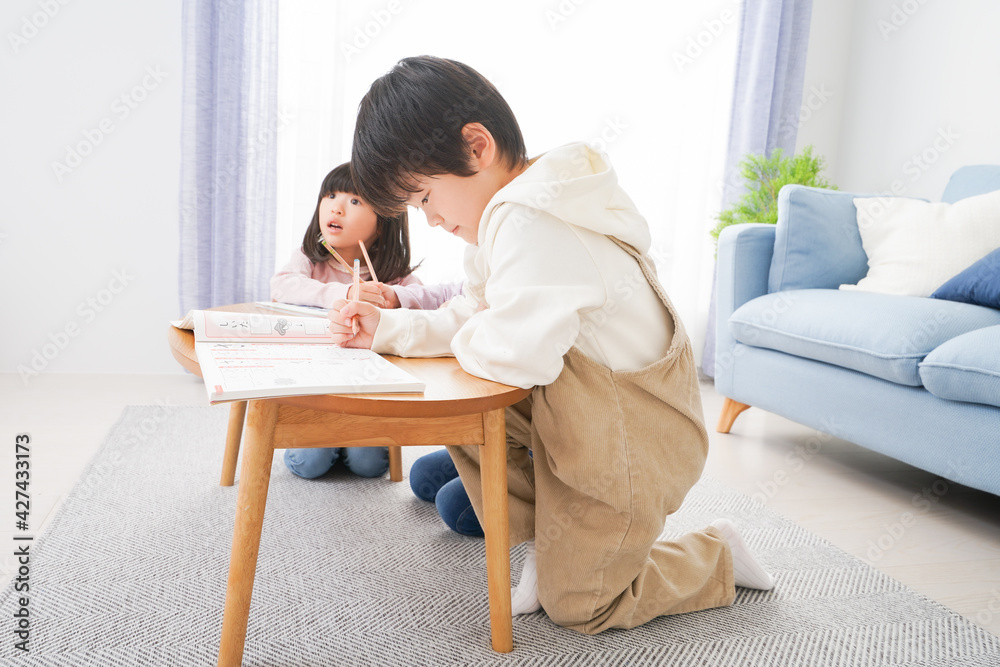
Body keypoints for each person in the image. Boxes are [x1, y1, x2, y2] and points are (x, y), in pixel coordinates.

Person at [329, 56, 774, 633]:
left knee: (583, 603)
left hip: (632, 448)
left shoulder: (534, 220)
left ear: (476, 147)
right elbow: (478, 315)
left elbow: (513, 353)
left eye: (424, 198)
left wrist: (437, 335)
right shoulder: (509, 216)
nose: (431, 219)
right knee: (459, 400)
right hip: (584, 420)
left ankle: (715, 555)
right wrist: (388, 331)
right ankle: (552, 538)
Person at [273, 162, 462, 481]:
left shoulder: (394, 276)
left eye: (355, 201)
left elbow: (423, 305)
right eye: (330, 195)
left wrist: (392, 298)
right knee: (309, 464)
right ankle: (332, 440)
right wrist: (344, 291)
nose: (336, 207)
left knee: (370, 466)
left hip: (368, 389)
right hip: (316, 386)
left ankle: (348, 439)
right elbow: (281, 286)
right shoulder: (309, 259)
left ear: (383, 221)